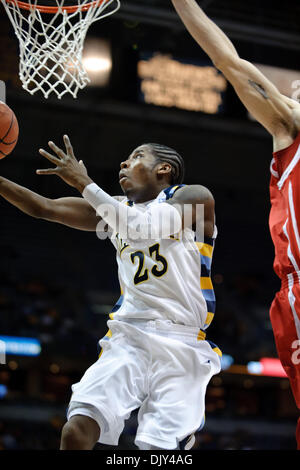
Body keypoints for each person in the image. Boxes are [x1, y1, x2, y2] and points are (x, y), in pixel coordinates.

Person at [0, 137, 222, 450]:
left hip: (182, 344)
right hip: (127, 337)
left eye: (137, 156)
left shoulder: (194, 198)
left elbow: (141, 229)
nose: (123, 163)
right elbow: (43, 207)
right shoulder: (115, 209)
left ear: (164, 168)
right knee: (75, 432)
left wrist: (83, 181)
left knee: (155, 450)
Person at [170, 0, 300, 449]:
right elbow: (228, 61)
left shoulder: (292, 122)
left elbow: (229, 61)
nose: (293, 88)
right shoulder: (290, 128)